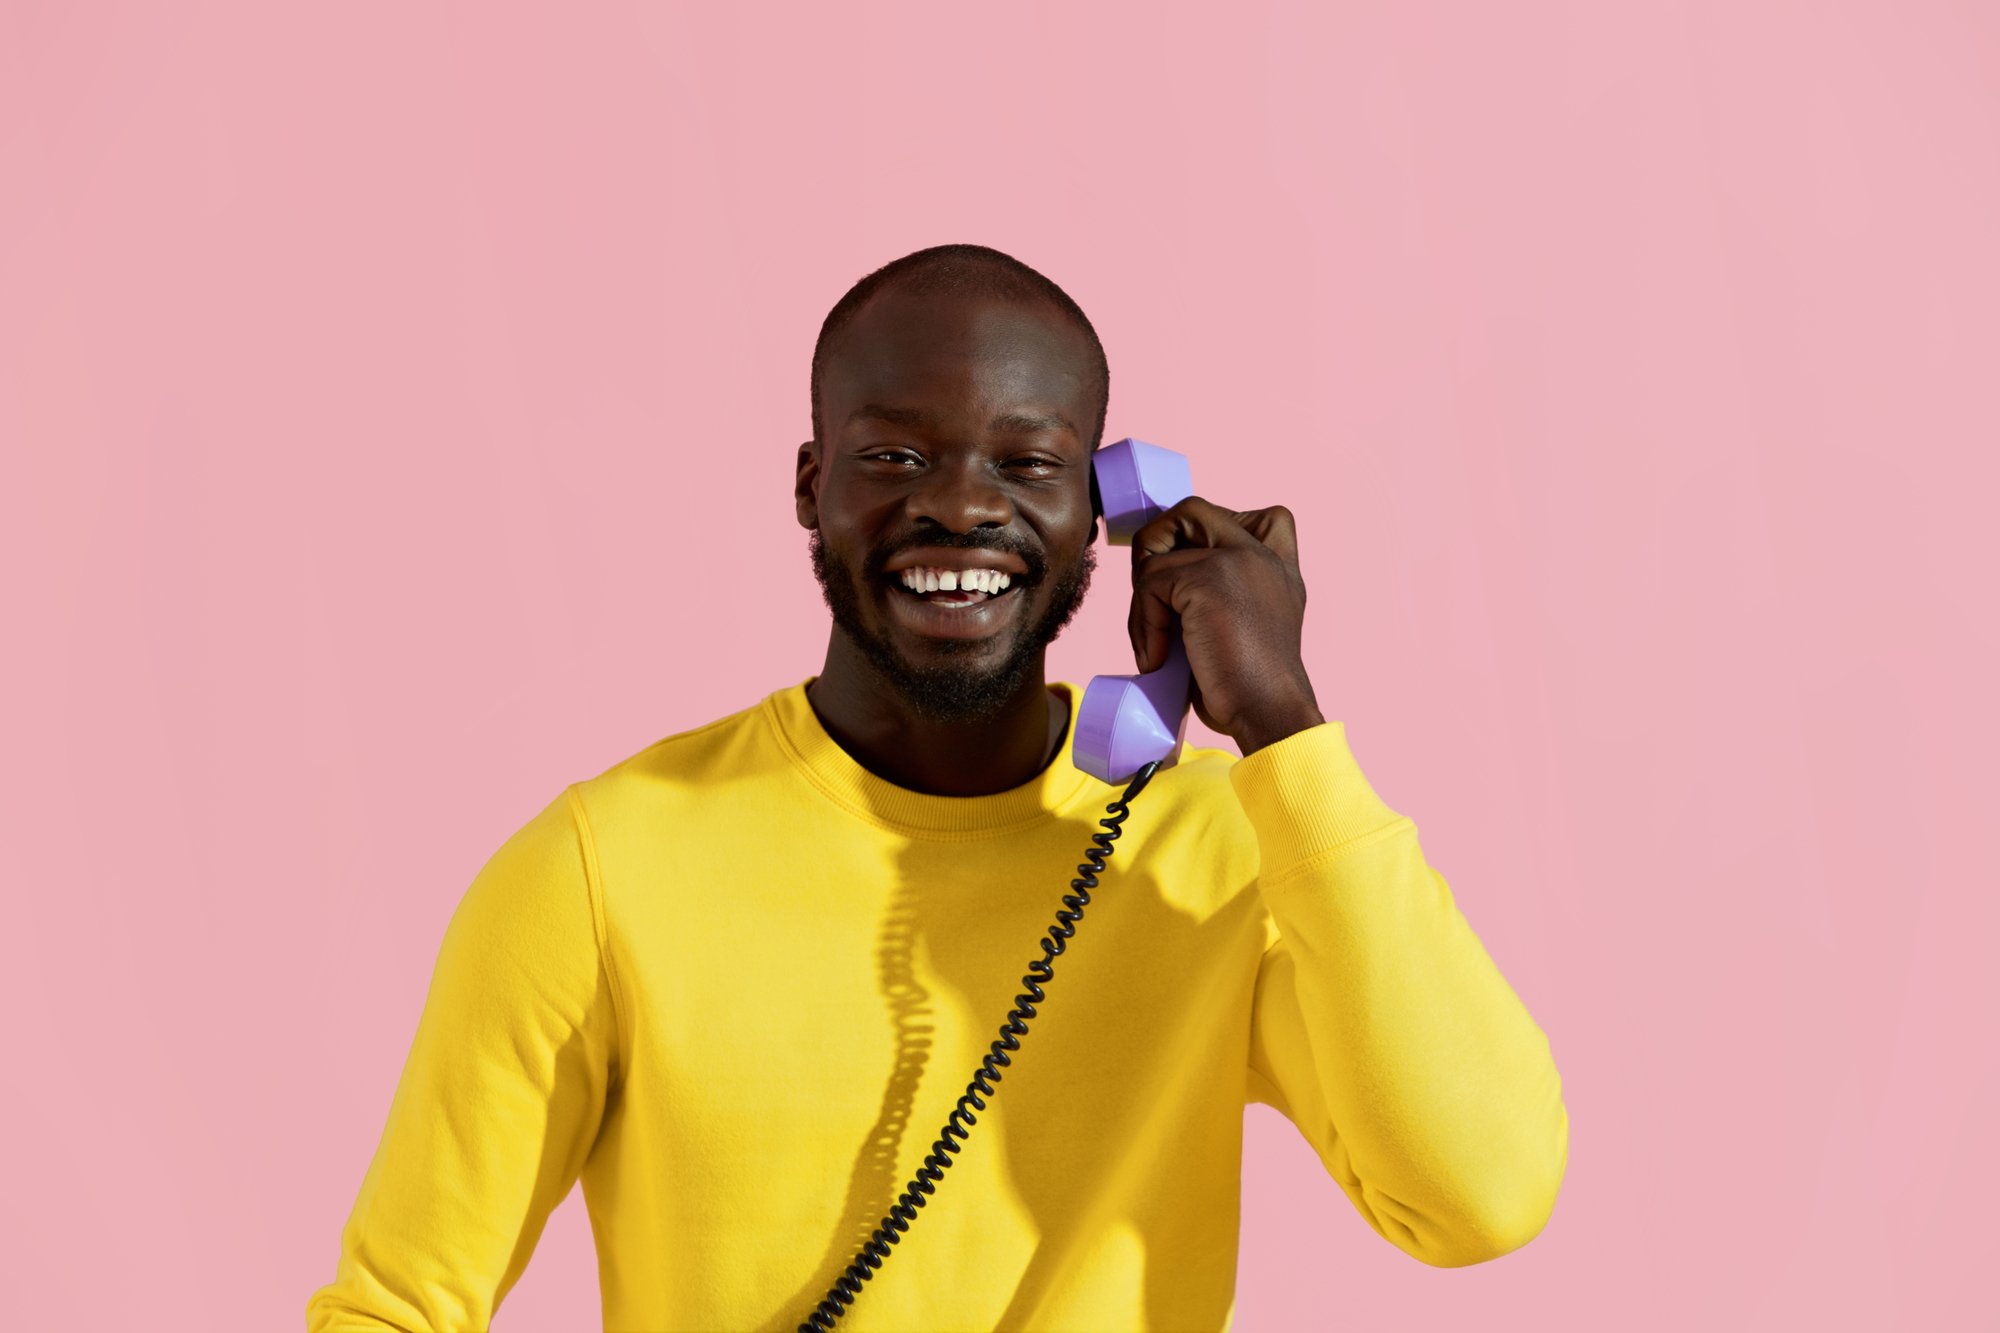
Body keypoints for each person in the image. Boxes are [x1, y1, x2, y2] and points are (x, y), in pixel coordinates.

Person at [305, 243, 1569, 1332]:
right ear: (811, 486)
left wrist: (1283, 728)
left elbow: (1478, 1195)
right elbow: (396, 1305)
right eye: (895, 453)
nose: (959, 505)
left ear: (1104, 509)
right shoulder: (604, 864)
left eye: (1027, 465)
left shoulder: (1216, 856)